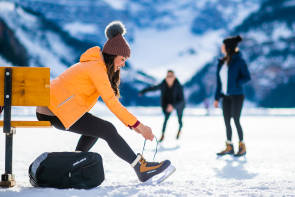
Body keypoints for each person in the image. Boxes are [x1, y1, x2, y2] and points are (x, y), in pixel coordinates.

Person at [36, 21, 174, 183]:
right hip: (53, 111)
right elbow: (112, 103)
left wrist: (133, 126)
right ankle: (141, 168)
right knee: (107, 129)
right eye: (122, 59)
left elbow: (111, 102)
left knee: (97, 129)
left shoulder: (96, 65)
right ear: (113, 55)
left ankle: (75, 163)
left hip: (56, 108)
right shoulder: (96, 69)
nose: (123, 64)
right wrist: (140, 126)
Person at [214, 35, 251, 157]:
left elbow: (247, 77)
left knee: (235, 119)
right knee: (226, 121)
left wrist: (236, 83)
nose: (222, 47)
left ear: (228, 47)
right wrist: (216, 97)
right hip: (225, 97)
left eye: (223, 45)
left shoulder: (239, 61)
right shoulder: (221, 62)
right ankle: (229, 146)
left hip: (237, 95)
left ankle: (242, 146)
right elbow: (219, 82)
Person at [139, 70, 185, 142]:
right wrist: (143, 91)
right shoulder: (163, 84)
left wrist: (173, 106)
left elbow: (181, 100)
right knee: (166, 119)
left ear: (174, 77)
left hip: (178, 104)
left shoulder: (178, 86)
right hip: (167, 104)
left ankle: (180, 129)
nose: (169, 78)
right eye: (167, 76)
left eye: (171, 76)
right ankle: (163, 135)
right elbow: (153, 88)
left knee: (179, 119)